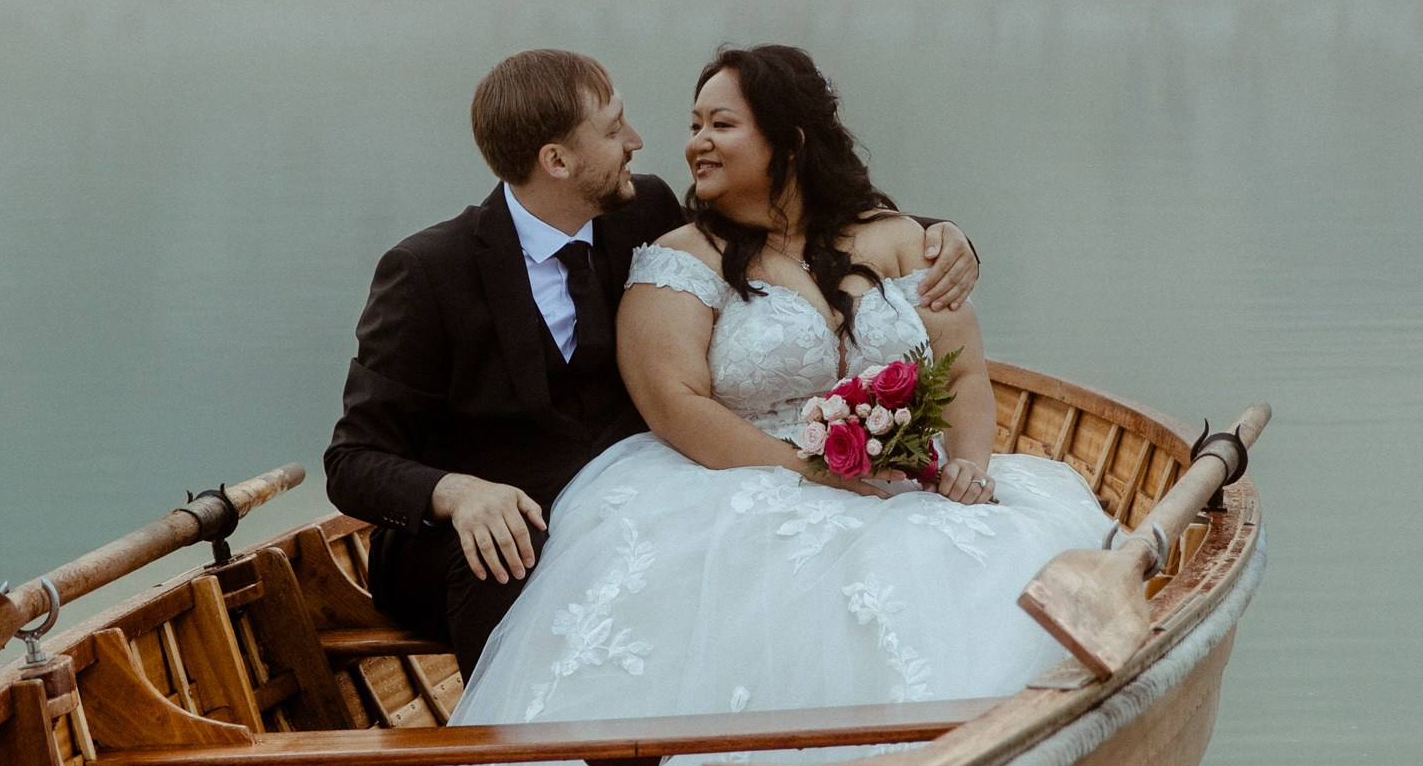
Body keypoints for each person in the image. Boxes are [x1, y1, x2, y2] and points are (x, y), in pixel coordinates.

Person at [395, 44, 1112, 766]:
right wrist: (811, 473)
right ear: (558, 160)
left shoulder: (896, 237)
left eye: (720, 124)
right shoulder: (669, 247)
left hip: (912, 481)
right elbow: (674, 404)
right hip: (735, 477)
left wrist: (968, 464)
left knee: (1011, 572)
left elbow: (961, 373)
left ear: (789, 139)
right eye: (692, 123)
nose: (683, 141)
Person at [325, 48, 980, 678]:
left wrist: (944, 236)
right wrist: (456, 493)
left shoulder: (640, 210)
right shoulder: (428, 273)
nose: (637, 140)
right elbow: (352, 461)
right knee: (511, 558)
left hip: (627, 502)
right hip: (476, 534)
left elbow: (793, 224)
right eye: (613, 130)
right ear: (556, 160)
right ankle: (510, 759)